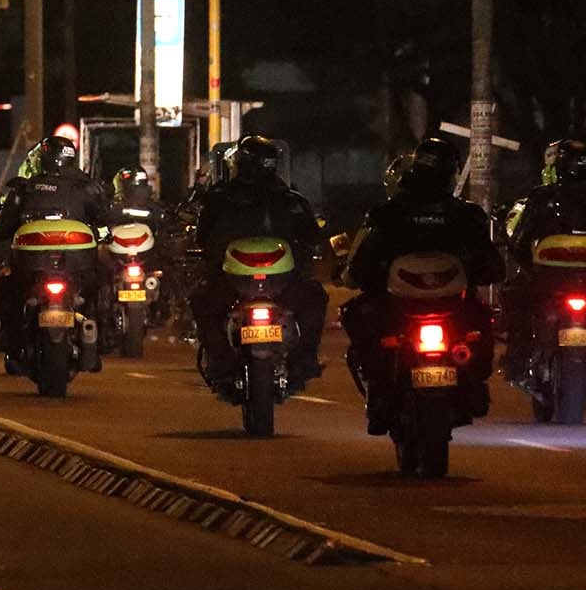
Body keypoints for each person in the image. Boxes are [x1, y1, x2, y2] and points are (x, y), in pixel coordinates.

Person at [341, 137, 504, 432]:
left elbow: (490, 265)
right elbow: (492, 266)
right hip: (418, 308)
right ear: (453, 171)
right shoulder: (462, 215)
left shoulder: (390, 213)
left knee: (360, 317)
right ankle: (382, 393)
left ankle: (383, 394)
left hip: (433, 308)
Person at [193, 135, 326, 398]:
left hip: (234, 283)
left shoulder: (219, 198)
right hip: (280, 283)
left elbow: (202, 237)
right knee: (315, 299)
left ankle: (222, 362)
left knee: (202, 304)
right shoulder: (290, 199)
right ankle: (303, 360)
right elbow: (313, 238)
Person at [502, 139, 586, 377]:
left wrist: (531, 269)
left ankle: (517, 360)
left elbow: (519, 241)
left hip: (552, 284)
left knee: (515, 297)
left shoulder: (542, 198)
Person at [0, 136, 108, 360]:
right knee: (102, 281)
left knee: (4, 285)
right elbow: (103, 217)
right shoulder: (87, 187)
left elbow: (5, 224)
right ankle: (98, 334)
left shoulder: (26, 187)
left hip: (35, 269)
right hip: (76, 271)